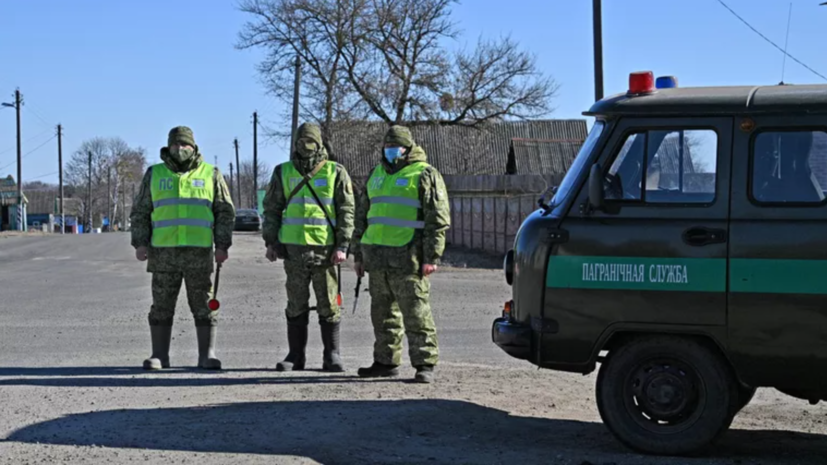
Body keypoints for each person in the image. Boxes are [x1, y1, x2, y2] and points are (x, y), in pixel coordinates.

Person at [131, 126, 235, 370]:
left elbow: (225, 212)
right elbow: (141, 212)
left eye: (185, 145)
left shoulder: (212, 174)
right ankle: (159, 356)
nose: (180, 149)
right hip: (163, 253)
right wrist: (140, 242)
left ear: (194, 147)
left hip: (198, 253)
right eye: (175, 144)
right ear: (168, 147)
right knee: (161, 304)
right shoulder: (154, 173)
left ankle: (206, 355)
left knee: (203, 303)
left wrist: (222, 245)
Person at [352, 125, 450, 384]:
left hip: (410, 258)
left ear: (407, 148)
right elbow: (362, 217)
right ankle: (385, 361)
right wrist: (359, 256)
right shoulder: (376, 174)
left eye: (394, 146)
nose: (390, 150)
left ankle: (424, 364)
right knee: (382, 316)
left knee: (417, 314)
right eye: (386, 146)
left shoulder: (425, 174)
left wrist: (432, 257)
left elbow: (437, 220)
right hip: (377, 260)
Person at [262, 122, 355, 372]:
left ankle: (332, 355)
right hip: (293, 250)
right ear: (295, 144)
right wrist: (271, 241)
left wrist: (343, 244)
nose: (306, 146)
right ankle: (295, 356)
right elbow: (271, 209)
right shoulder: (282, 171)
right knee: (295, 302)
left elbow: (347, 210)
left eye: (311, 141)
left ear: (320, 143)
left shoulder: (336, 171)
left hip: (326, 250)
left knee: (328, 303)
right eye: (301, 141)